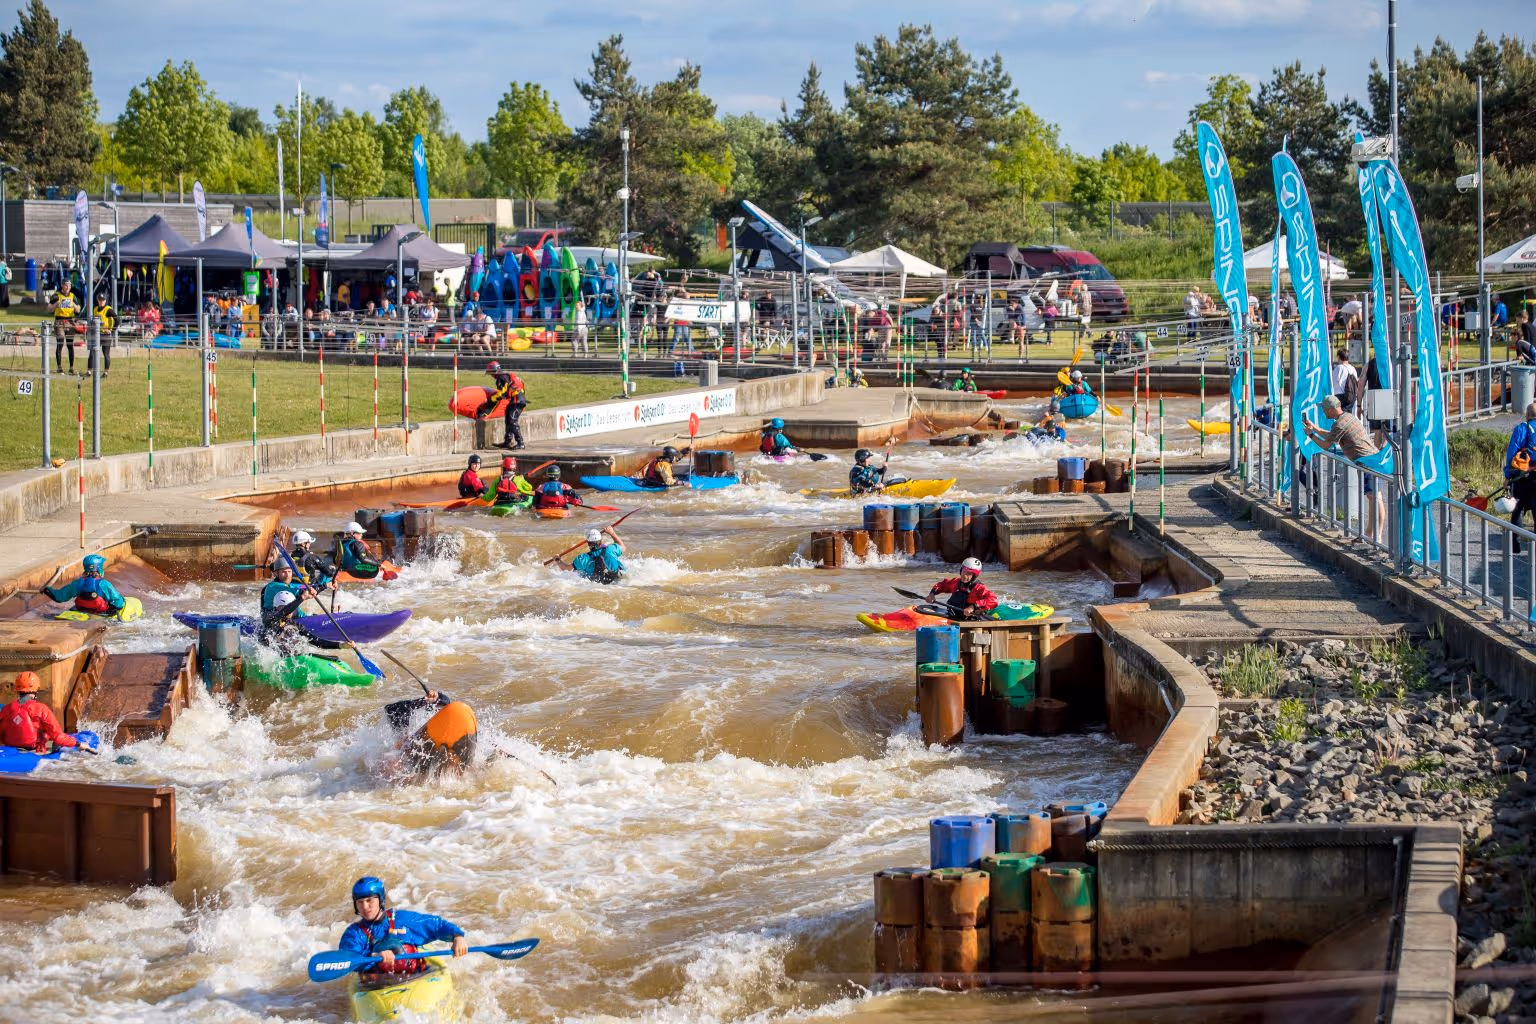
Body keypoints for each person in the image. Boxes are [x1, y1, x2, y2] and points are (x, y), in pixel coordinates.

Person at [339, 877, 468, 981]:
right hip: (376, 985)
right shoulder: (353, 934)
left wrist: (457, 936)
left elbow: (437, 925)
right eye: (360, 902)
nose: (365, 907)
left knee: (403, 947)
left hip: (415, 976)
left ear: (380, 900)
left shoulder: (402, 919)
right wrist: (375, 955)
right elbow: (348, 959)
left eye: (369, 900)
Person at [1301, 395, 1386, 545]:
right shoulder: (1347, 417)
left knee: (1375, 498)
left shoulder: (1340, 424)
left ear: (1331, 409)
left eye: (1324, 409)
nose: (1324, 412)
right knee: (1374, 498)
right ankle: (1370, 535)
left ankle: (1376, 537)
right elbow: (1331, 436)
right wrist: (1314, 428)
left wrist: (1311, 435)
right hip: (1371, 459)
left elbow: (1326, 445)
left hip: (1368, 462)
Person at [0, 672, 83, 753]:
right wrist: (78, 744)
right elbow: (58, 737)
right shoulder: (41, 709)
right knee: (56, 741)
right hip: (34, 752)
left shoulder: (6, 709)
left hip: (8, 751)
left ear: (17, 689)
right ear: (36, 689)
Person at [43, 554, 126, 617]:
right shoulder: (104, 584)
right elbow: (119, 602)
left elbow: (60, 597)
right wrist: (112, 609)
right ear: (99, 568)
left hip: (81, 609)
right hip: (100, 611)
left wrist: (47, 590)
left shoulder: (78, 582)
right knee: (118, 602)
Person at [1504, 403, 1536, 549]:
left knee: (1517, 510)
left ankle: (1515, 546)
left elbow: (1512, 454)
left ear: (1527, 415)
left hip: (1522, 477)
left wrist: (1508, 476)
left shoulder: (1521, 429)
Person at [926, 558, 998, 620]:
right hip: (952, 614)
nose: (964, 575)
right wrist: (932, 594)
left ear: (974, 576)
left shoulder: (979, 588)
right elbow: (941, 585)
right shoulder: (956, 582)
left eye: (968, 573)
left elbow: (993, 600)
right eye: (964, 571)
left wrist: (973, 607)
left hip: (969, 618)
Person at [478, 362, 526, 451]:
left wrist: (489, 400)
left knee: (512, 421)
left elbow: (501, 394)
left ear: (495, 371)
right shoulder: (505, 375)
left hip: (517, 401)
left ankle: (521, 443)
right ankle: (507, 442)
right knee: (508, 420)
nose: (491, 375)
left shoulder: (501, 378)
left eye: (491, 373)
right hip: (515, 400)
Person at [51, 280, 79, 373]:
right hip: (59, 321)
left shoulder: (73, 296)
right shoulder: (56, 295)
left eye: (69, 286)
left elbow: (78, 309)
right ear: (62, 285)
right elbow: (49, 308)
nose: (68, 287)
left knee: (70, 344)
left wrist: (73, 305)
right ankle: (59, 367)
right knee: (60, 342)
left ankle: (71, 367)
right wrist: (56, 304)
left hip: (70, 321)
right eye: (66, 285)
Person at [1331, 348, 1361, 415]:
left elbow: (1332, 382)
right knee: (1348, 416)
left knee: (1340, 417)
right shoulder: (1352, 368)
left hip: (1340, 396)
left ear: (1339, 357)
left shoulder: (1339, 368)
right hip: (1351, 397)